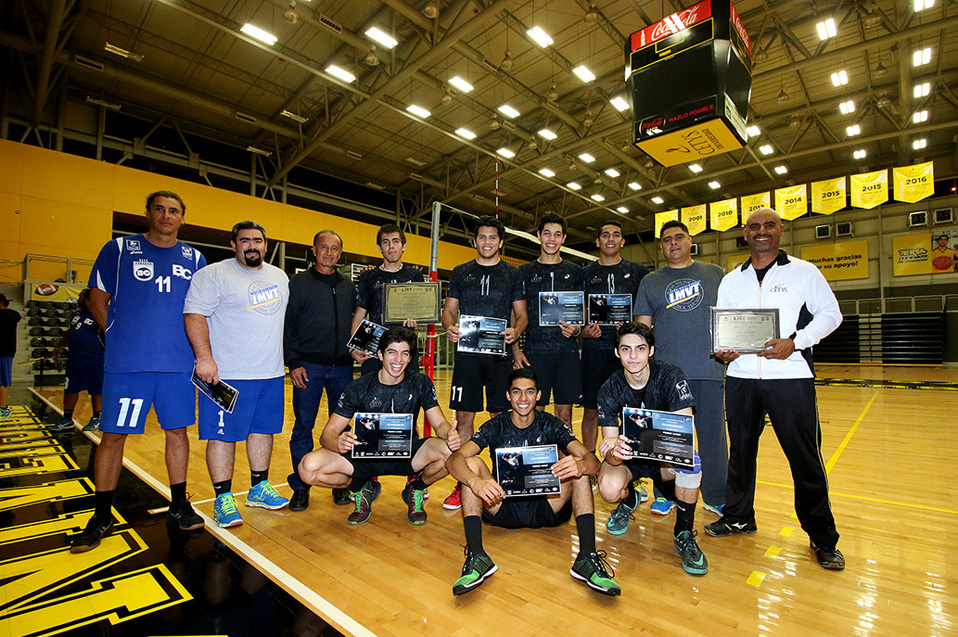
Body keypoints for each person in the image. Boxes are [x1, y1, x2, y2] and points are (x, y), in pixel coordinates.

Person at [707, 207, 845, 571]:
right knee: (740, 455)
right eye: (754, 227)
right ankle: (739, 517)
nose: (762, 231)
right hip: (739, 378)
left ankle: (822, 537)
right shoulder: (731, 278)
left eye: (769, 225)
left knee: (805, 458)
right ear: (745, 233)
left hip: (791, 378)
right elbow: (723, 328)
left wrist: (796, 341)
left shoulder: (804, 272)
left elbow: (831, 314)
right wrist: (722, 350)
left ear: (781, 230)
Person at [71, 191, 206, 553]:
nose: (166, 215)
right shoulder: (117, 250)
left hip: (177, 365)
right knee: (113, 436)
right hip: (128, 365)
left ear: (182, 218)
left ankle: (179, 504)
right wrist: (113, 332)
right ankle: (102, 514)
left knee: (177, 433)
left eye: (174, 211)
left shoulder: (195, 258)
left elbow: (201, 309)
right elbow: (96, 298)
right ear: (147, 213)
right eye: (159, 209)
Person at [446, 368, 620, 597]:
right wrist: (474, 482)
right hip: (502, 504)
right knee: (471, 464)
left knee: (578, 465)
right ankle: (477, 556)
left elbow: (592, 460)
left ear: (539, 395)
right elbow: (453, 460)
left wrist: (581, 466)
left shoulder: (551, 424)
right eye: (517, 392)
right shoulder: (495, 425)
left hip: (547, 504)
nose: (523, 398)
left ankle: (586, 557)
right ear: (508, 396)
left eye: (529, 392)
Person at [184, 221, 290, 528]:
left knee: (263, 430)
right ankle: (223, 498)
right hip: (226, 375)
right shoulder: (213, 274)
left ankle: (259, 487)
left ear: (266, 245)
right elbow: (193, 315)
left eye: (258, 240)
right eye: (245, 241)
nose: (252, 246)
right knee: (223, 436)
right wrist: (204, 358)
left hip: (270, 373)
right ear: (234, 244)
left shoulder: (279, 277)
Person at [297, 327, 460, 525]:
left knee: (452, 453)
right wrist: (338, 442)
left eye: (404, 353)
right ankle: (359, 488)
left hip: (407, 454)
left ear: (410, 358)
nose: (398, 360)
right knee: (308, 468)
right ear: (381, 354)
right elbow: (327, 434)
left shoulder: (420, 382)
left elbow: (439, 424)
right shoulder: (358, 387)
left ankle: (416, 489)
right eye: (392, 352)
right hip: (365, 457)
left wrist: (449, 434)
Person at [595, 322, 708, 575]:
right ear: (617, 353)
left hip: (664, 459)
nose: (633, 356)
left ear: (651, 350)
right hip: (629, 460)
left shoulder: (670, 375)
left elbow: (684, 435)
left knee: (693, 461)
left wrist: (647, 440)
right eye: (626, 349)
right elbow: (612, 453)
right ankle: (630, 498)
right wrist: (614, 452)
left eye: (640, 348)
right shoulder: (608, 389)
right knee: (609, 488)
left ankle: (684, 532)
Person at [636, 220, 727, 517]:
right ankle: (666, 494)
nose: (673, 243)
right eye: (666, 239)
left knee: (712, 437)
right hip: (665, 374)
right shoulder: (650, 281)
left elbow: (728, 318)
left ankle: (716, 495)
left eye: (678, 237)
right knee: (663, 440)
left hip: (708, 368)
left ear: (690, 241)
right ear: (661, 246)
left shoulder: (714, 274)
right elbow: (642, 329)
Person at [441, 216, 528, 510]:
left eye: (492, 238)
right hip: (467, 357)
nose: (487, 242)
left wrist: (516, 333)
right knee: (464, 419)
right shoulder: (461, 272)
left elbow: (521, 315)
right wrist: (450, 326)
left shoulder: (513, 274)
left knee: (499, 419)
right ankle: (464, 481)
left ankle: (503, 478)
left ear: (500, 242)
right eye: (482, 237)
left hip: (499, 357)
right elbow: (449, 311)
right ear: (475, 241)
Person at [284, 230, 356, 512]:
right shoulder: (299, 283)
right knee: (303, 425)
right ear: (314, 251)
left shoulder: (348, 286)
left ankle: (341, 483)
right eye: (323, 247)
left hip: (343, 368)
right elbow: (288, 324)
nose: (328, 253)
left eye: (334, 248)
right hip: (308, 367)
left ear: (340, 254)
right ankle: (301, 487)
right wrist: (294, 363)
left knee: (342, 429)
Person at [580, 221, 649, 495]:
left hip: (628, 353)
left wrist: (632, 327)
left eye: (616, 235)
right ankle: (589, 467)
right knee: (591, 410)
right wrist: (584, 330)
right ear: (598, 241)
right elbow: (579, 311)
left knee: (633, 412)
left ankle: (636, 473)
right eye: (605, 234)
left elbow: (644, 312)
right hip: (596, 350)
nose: (610, 239)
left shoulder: (638, 272)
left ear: (623, 241)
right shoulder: (585, 274)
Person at [514, 213, 583, 426]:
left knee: (565, 416)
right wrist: (516, 350)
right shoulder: (523, 272)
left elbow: (583, 312)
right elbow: (515, 314)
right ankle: (537, 460)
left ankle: (565, 460)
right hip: (535, 351)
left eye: (557, 234)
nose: (551, 239)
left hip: (567, 353)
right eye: (547, 233)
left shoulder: (575, 271)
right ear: (538, 236)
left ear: (563, 239)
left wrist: (576, 329)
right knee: (534, 413)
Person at [350, 224, 424, 375]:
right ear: (379, 247)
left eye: (396, 241)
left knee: (408, 394)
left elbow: (420, 311)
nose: (391, 246)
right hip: (374, 346)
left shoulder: (415, 275)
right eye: (385, 242)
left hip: (406, 347)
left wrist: (416, 319)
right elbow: (359, 314)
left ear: (404, 246)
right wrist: (353, 347)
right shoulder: (368, 276)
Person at [51, 288, 105, 432]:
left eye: (82, 297)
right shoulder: (77, 314)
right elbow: (71, 332)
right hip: (75, 359)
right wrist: (60, 345)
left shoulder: (100, 314)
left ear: (89, 299)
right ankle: (67, 419)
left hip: (95, 358)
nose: (79, 299)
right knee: (70, 388)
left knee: (96, 390)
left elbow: (111, 336)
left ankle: (97, 418)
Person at [0, 293, 21, 419]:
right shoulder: (10, 316)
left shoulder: (6, 317)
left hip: (3, 352)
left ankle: (3, 409)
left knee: (1, 382)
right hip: (5, 352)